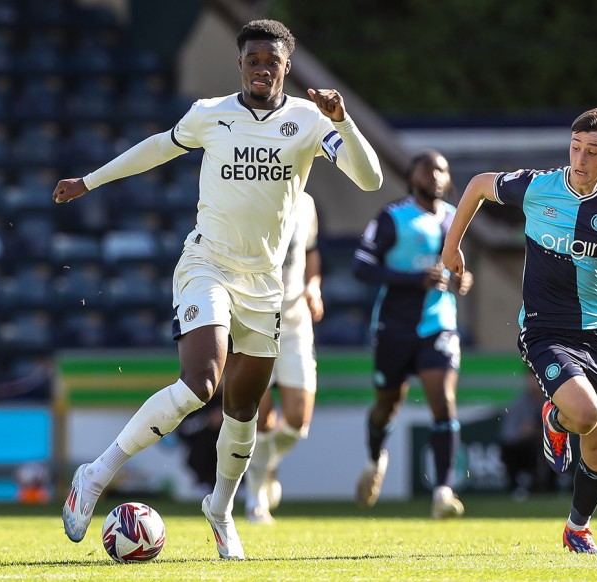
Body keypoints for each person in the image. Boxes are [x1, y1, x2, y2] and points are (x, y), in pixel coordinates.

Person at [54, 19, 383, 560]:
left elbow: (368, 179)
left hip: (265, 285)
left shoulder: (306, 120)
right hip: (207, 264)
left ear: (285, 67)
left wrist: (344, 122)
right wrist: (89, 181)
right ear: (242, 63)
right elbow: (157, 148)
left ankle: (221, 509)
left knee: (244, 409)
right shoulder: (211, 114)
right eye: (252, 59)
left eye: (271, 61)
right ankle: (97, 472)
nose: (260, 68)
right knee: (200, 383)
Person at [442, 108, 597, 554]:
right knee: (584, 415)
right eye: (575, 148)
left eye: (593, 152)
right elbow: (475, 186)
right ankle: (555, 417)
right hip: (543, 328)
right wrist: (451, 246)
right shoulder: (538, 185)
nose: (581, 159)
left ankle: (577, 528)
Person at [352, 150, 473, 519]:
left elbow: (454, 269)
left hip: (439, 323)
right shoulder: (392, 217)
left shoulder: (455, 219)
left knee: (443, 400)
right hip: (394, 325)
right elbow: (362, 267)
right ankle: (375, 460)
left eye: (442, 169)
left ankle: (442, 492)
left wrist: (460, 280)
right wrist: (412, 279)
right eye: (427, 168)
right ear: (412, 175)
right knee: (387, 405)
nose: (435, 175)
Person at [243, 190, 323, 524]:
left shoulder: (306, 201)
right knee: (259, 418)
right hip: (253, 317)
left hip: (294, 321)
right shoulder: (248, 195)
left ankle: (267, 464)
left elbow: (310, 250)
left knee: (297, 421)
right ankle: (255, 498)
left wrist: (313, 285)